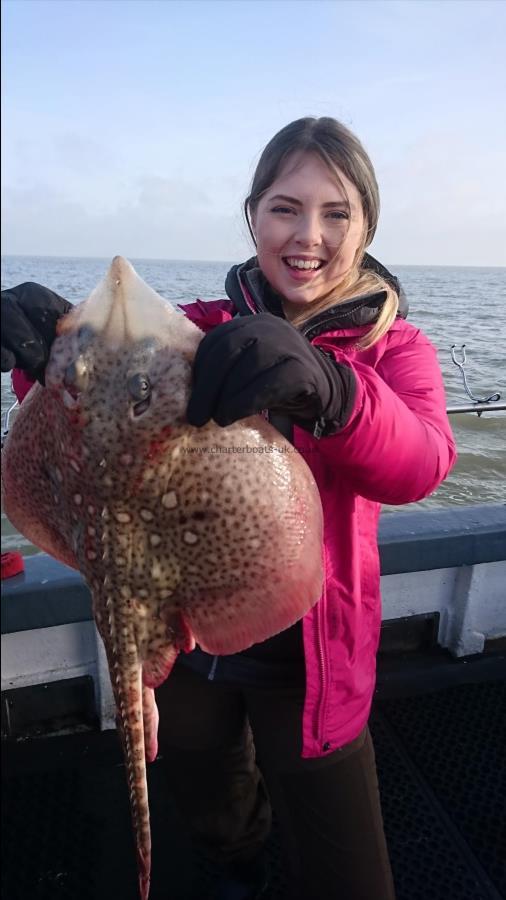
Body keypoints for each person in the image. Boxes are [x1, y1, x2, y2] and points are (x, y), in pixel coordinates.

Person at [1, 117, 456, 900]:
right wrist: (47, 353)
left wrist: (336, 389)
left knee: (349, 872)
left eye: (336, 212)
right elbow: (101, 419)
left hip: (315, 667)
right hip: (188, 646)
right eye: (285, 207)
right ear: (253, 215)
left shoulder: (394, 348)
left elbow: (421, 461)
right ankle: (240, 863)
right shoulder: (197, 330)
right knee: (210, 802)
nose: (307, 234)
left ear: (367, 225)